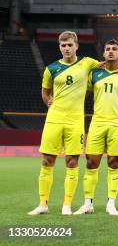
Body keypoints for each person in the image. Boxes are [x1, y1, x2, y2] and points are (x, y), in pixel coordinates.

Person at [29, 31, 105, 216]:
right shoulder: (51, 68)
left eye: (70, 45)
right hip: (54, 119)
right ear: (60, 47)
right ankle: (43, 204)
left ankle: (67, 205)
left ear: (76, 46)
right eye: (63, 45)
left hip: (75, 122)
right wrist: (48, 101)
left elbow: (109, 65)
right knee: (47, 160)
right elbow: (45, 91)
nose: (67, 48)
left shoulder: (87, 62)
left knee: (72, 162)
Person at [74, 39, 118, 215]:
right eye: (107, 49)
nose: (110, 51)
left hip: (117, 124)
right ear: (104, 53)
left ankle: (111, 203)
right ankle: (87, 203)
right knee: (91, 162)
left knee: (114, 163)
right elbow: (83, 92)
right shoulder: (95, 74)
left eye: (114, 49)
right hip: (97, 123)